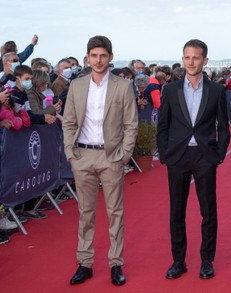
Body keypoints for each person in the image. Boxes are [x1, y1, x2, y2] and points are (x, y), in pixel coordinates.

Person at [62, 35, 138, 287]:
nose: (98, 60)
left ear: (110, 58)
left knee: (115, 212)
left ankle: (116, 263)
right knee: (85, 212)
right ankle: (84, 263)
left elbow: (131, 125)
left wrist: (123, 156)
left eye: (103, 55)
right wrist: (71, 154)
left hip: (111, 157)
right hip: (82, 156)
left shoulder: (123, 86)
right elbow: (69, 122)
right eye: (94, 55)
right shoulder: (77, 86)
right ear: (87, 57)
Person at [157, 39, 230, 280]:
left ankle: (207, 260)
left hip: (205, 156)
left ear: (205, 61)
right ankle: (178, 261)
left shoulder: (217, 90)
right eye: (187, 57)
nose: (190, 61)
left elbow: (223, 125)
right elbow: (163, 125)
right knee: (176, 211)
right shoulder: (170, 90)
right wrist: (165, 154)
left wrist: (219, 154)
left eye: (196, 57)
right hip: (177, 157)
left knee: (208, 211)